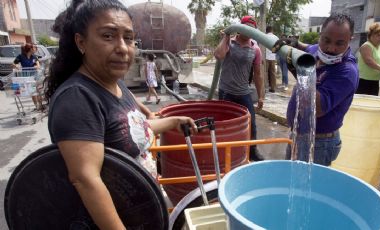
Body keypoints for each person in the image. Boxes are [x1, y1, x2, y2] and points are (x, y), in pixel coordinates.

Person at [44, 0, 197, 228]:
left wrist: (174, 121)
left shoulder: (115, 85)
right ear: (81, 42)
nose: (123, 47)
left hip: (141, 214)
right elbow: (86, 180)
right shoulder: (77, 98)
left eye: (128, 38)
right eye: (108, 36)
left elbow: (131, 130)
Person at [285, 13, 359, 166]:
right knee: (289, 181)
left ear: (349, 40)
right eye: (326, 40)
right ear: (320, 36)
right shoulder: (317, 51)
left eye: (339, 43)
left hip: (319, 143)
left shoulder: (346, 72)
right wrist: (295, 43)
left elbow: (314, 108)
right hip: (297, 134)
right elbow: (308, 47)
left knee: (308, 189)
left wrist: (301, 75)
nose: (331, 48)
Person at [214, 15, 265, 161]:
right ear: (240, 28)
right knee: (224, 124)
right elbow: (218, 55)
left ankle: (252, 150)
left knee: (251, 123)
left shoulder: (255, 49)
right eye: (246, 27)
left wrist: (261, 96)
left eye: (252, 28)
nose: (249, 31)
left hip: (243, 92)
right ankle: (223, 150)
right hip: (226, 91)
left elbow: (257, 74)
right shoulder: (229, 42)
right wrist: (226, 37)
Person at [13, 43, 44, 111]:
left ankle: (41, 105)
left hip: (35, 76)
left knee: (38, 91)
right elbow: (14, 63)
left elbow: (38, 64)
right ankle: (36, 106)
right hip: (27, 77)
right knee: (32, 92)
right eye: (34, 48)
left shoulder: (34, 56)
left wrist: (36, 66)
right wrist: (16, 66)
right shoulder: (21, 56)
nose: (35, 49)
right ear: (30, 49)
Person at [265, 26, 279, 93]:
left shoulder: (264, 36)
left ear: (266, 30)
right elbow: (278, 47)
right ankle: (273, 88)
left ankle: (264, 88)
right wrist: (273, 52)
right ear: (272, 30)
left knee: (265, 72)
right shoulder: (276, 37)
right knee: (273, 73)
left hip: (265, 57)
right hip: (273, 57)